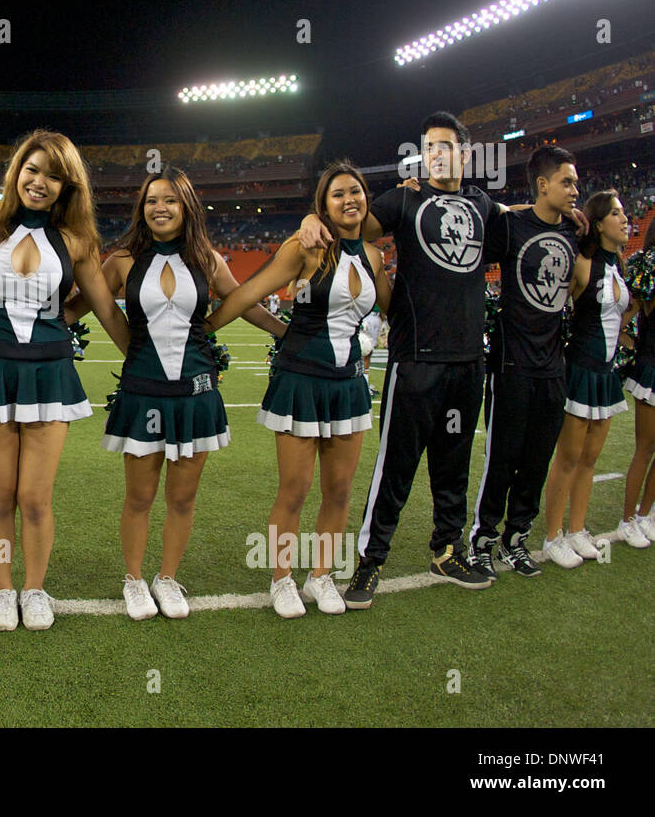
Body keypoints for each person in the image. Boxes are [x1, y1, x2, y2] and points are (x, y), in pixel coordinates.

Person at [297, 112, 562, 607]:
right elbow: (350, 221)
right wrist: (314, 217)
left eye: (447, 146)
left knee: (453, 464)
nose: (438, 155)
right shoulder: (406, 196)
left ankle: (446, 548)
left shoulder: (484, 207)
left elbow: (525, 215)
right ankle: (370, 561)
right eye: (429, 148)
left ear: (466, 153)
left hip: (468, 360)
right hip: (416, 357)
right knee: (395, 466)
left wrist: (569, 212)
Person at [0, 129, 130, 631]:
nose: (40, 183)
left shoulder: (77, 242)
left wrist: (141, 359)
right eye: (33, 170)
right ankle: (2, 590)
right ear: (17, 170)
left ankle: (34, 588)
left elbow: (105, 309)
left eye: (54, 176)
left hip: (50, 374)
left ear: (68, 187)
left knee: (35, 498)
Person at [70, 167, 285, 620]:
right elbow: (79, 305)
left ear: (186, 206)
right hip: (142, 392)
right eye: (151, 200)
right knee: (139, 497)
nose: (160, 208)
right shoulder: (122, 261)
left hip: (196, 393)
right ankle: (134, 580)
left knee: (182, 498)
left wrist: (287, 332)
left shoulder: (207, 259)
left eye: (169, 199)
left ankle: (167, 578)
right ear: (141, 209)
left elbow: (245, 302)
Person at [212, 162, 390, 617]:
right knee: (294, 488)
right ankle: (282, 579)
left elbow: (393, 307)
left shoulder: (373, 256)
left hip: (349, 385)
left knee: (340, 490)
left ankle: (321, 576)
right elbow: (247, 292)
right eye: (337, 194)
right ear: (323, 206)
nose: (349, 199)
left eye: (356, 191)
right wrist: (210, 331)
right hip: (300, 382)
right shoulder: (305, 247)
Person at [467, 145, 580, 577]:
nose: (574, 189)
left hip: (554, 367)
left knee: (537, 460)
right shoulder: (511, 226)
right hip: (510, 364)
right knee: (503, 458)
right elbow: (474, 229)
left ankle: (517, 539)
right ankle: (483, 539)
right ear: (542, 184)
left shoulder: (574, 232)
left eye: (575, 182)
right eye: (566, 181)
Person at [540, 190, 631, 566]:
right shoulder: (581, 264)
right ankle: (552, 536)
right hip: (578, 369)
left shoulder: (620, 264)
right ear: (598, 223)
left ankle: (577, 530)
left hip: (605, 374)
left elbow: (622, 318)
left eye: (624, 213)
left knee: (591, 458)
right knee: (569, 457)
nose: (625, 219)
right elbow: (558, 311)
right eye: (616, 213)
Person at [621, 219, 655, 548]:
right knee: (645, 449)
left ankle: (646, 513)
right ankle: (628, 518)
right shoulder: (649, 270)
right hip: (653, 368)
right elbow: (624, 317)